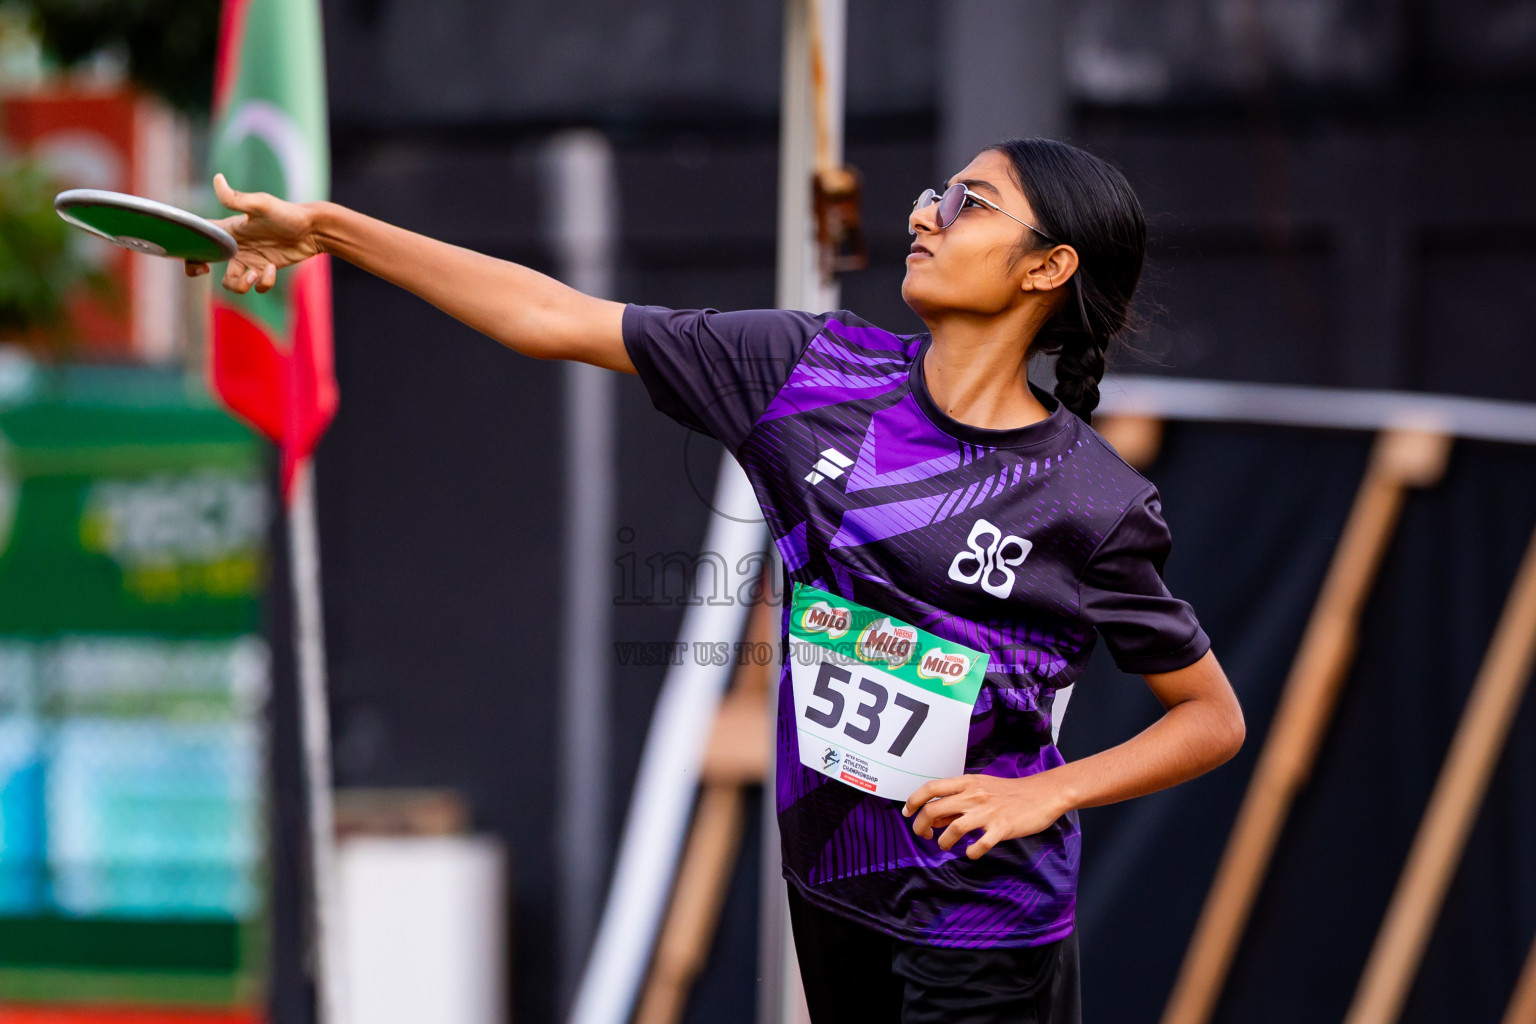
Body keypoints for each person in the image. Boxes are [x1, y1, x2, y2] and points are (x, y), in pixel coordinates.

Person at [188, 136, 1245, 1024]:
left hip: (983, 915)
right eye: (935, 194)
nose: (928, 213)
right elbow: (549, 316)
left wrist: (1043, 791)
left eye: (969, 203)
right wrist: (330, 230)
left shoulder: (1091, 500)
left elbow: (1209, 718)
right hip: (834, 880)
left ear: (1045, 268)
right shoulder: (806, 369)